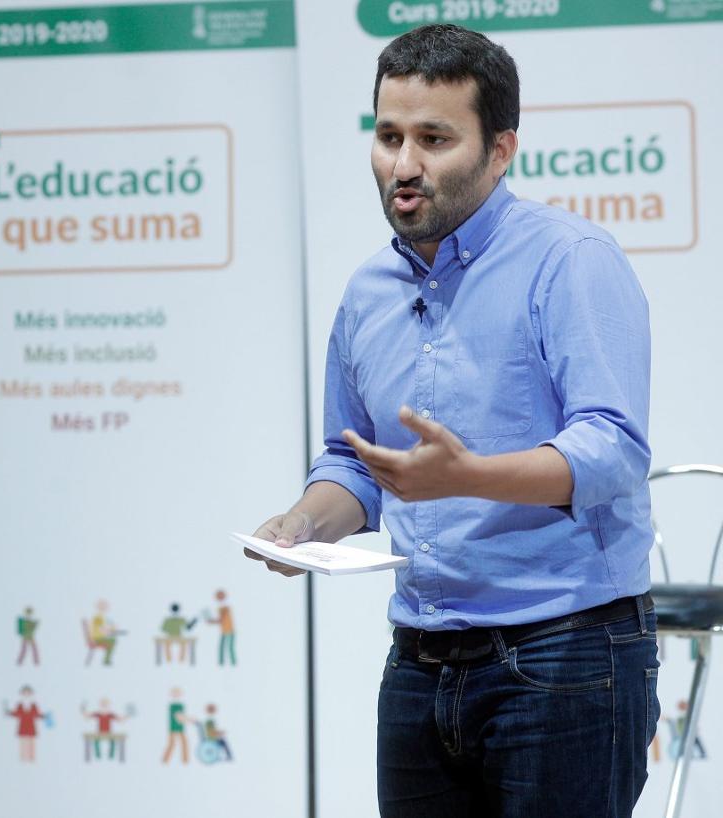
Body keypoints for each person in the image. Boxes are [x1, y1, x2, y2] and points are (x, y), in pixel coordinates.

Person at [248, 24, 658, 817]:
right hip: (420, 661)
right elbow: (353, 462)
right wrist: (304, 522)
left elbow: (611, 452)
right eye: (389, 136)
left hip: (566, 653)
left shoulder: (570, 260)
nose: (403, 166)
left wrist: (468, 478)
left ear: (500, 150)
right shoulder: (367, 291)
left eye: (434, 139)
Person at [4, 685, 46, 762]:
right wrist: (8, 712)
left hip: (31, 726)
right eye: (25, 693)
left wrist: (44, 716)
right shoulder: (20, 705)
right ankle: (23, 758)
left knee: (31, 743)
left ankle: (31, 758)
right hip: (22, 726)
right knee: (23, 742)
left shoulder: (33, 705)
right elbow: (16, 713)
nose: (26, 695)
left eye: (28, 693)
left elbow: (37, 714)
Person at [205, 590, 236, 666]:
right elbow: (220, 619)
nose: (219, 598)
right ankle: (221, 663)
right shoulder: (220, 608)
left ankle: (233, 662)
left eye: (220, 596)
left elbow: (221, 619)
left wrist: (211, 621)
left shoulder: (226, 608)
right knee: (221, 647)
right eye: (218, 596)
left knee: (230, 647)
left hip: (230, 630)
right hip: (223, 631)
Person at [161, 687, 188, 765]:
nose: (176, 695)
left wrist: (186, 719)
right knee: (172, 744)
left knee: (184, 743)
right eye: (175, 693)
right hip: (173, 727)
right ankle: (165, 760)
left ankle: (185, 760)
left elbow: (182, 716)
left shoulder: (181, 705)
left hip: (180, 727)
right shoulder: (172, 706)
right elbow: (177, 716)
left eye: (178, 693)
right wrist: (185, 719)